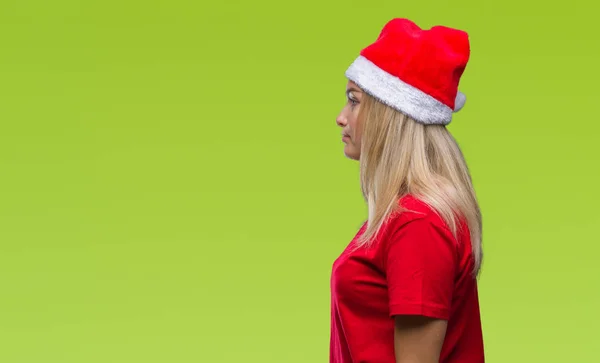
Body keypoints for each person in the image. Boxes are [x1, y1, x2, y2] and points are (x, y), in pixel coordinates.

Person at [329, 18, 485, 363]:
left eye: (353, 100)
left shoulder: (418, 225)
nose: (341, 117)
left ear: (390, 112)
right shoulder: (401, 216)